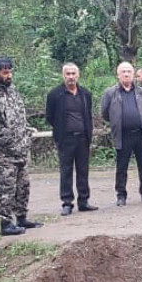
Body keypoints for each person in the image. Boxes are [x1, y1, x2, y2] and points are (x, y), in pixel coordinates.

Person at [0, 57, 41, 236]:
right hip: (4, 152)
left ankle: (21, 217)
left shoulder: (11, 89)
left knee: (23, 185)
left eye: (10, 72)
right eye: (5, 73)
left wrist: (25, 131)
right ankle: (5, 223)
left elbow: (17, 114)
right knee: (7, 187)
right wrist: (8, 136)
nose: (9, 75)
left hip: (21, 147)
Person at [100, 61, 142, 207]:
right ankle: (121, 195)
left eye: (129, 71)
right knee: (122, 167)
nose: (126, 74)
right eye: (123, 72)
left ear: (133, 74)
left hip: (140, 134)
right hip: (123, 135)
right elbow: (105, 113)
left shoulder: (141, 92)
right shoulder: (110, 93)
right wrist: (117, 122)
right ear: (118, 75)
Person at [45, 63, 96, 216]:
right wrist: (61, 130)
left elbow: (88, 115)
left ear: (78, 75)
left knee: (83, 170)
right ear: (63, 75)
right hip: (65, 139)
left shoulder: (85, 94)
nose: (71, 77)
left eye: (73, 74)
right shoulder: (55, 95)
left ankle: (84, 201)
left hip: (83, 138)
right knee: (66, 171)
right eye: (68, 74)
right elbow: (50, 117)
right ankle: (67, 203)